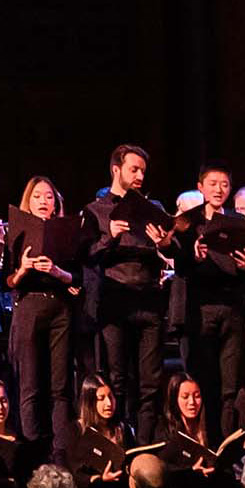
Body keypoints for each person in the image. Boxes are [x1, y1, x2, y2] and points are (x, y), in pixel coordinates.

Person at [82, 144, 172, 438]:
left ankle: (144, 445)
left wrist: (164, 244)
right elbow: (87, 256)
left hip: (149, 301)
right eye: (134, 169)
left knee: (150, 382)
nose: (139, 176)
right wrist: (111, 236)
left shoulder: (152, 208)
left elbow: (173, 249)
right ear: (116, 169)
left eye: (143, 171)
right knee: (116, 380)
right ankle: (117, 443)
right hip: (115, 302)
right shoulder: (97, 211)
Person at [5, 175, 79, 460]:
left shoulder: (67, 231)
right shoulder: (18, 231)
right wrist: (23, 269)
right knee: (30, 384)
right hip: (29, 307)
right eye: (37, 196)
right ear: (28, 200)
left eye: (49, 196)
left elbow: (79, 277)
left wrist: (57, 273)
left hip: (60, 308)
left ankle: (60, 454)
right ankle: (32, 453)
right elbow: (6, 281)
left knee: (60, 387)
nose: (43, 201)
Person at [173, 163, 245, 432]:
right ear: (200, 188)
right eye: (213, 183)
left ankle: (228, 445)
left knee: (231, 385)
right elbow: (179, 266)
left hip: (232, 309)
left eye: (225, 184)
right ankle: (204, 443)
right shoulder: (187, 223)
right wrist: (193, 257)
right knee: (203, 383)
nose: (219, 189)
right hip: (200, 309)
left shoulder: (239, 223)